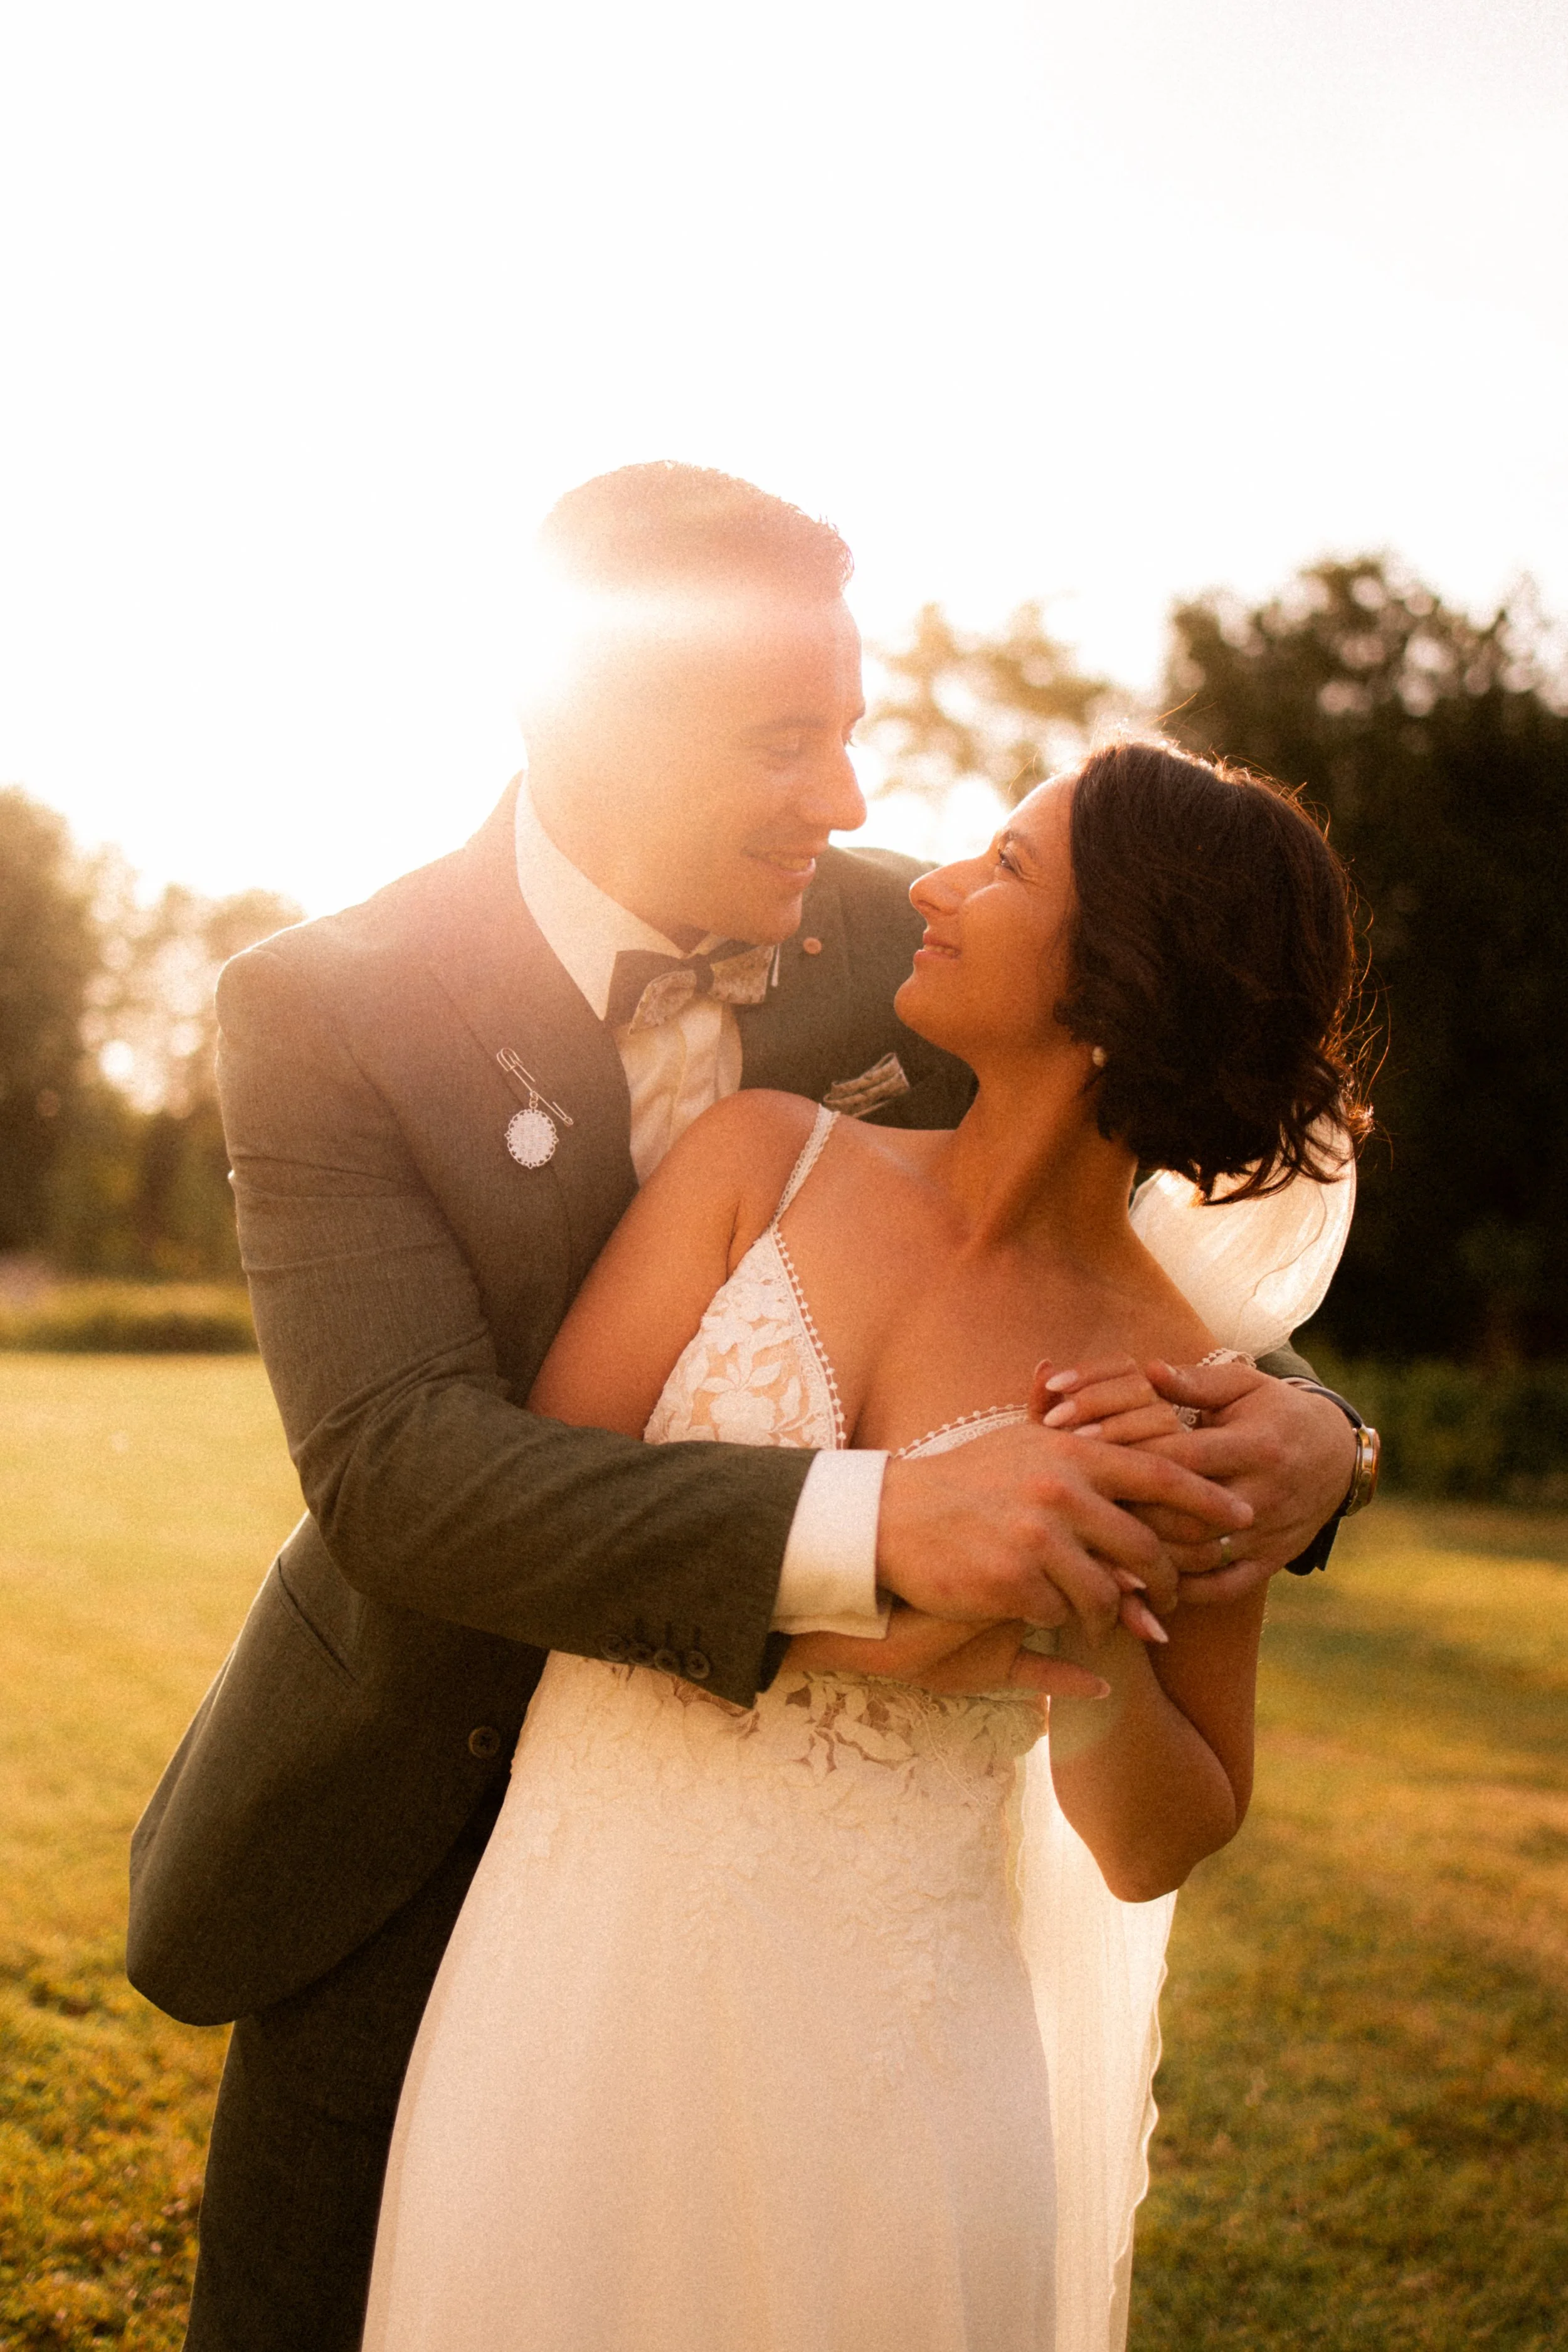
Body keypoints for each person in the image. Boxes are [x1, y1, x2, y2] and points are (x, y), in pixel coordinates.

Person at [125, 465, 1366, 2352]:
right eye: (785, 742)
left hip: (861, 1984)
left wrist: (1324, 1433)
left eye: (851, 734)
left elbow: (1104, 1210)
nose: (856, 805)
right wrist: (882, 1534)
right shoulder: (325, 1006)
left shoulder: (907, 942)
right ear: (585, 717)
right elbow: (398, 1463)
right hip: (413, 1808)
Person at [363, 738, 1371, 2352]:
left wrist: (1099, 1637)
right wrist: (895, 1617)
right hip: (582, 1968)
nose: (931, 883)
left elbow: (1157, 1842)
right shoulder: (764, 1161)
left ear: (1112, 973)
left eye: (1005, 866)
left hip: (903, 2060)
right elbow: (539, 1514)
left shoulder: (1184, 1389)